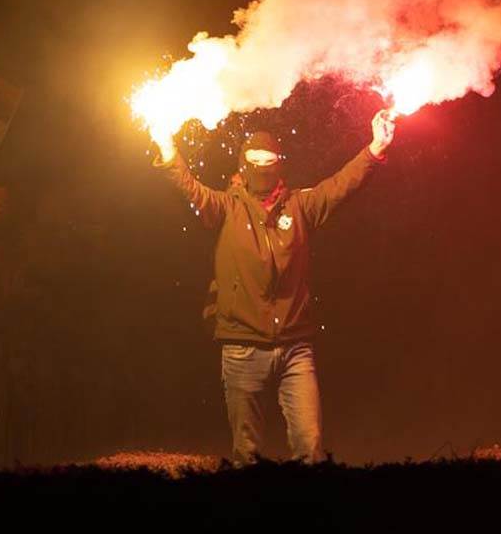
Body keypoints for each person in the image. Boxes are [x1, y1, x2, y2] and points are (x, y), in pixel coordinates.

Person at [153, 111, 396, 466]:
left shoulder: (300, 206)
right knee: (246, 455)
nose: (263, 167)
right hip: (241, 347)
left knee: (310, 448)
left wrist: (376, 148)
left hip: (296, 348)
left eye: (269, 161)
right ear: (243, 165)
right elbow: (189, 188)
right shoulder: (225, 208)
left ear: (280, 164)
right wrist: (166, 146)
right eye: (255, 161)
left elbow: (340, 186)